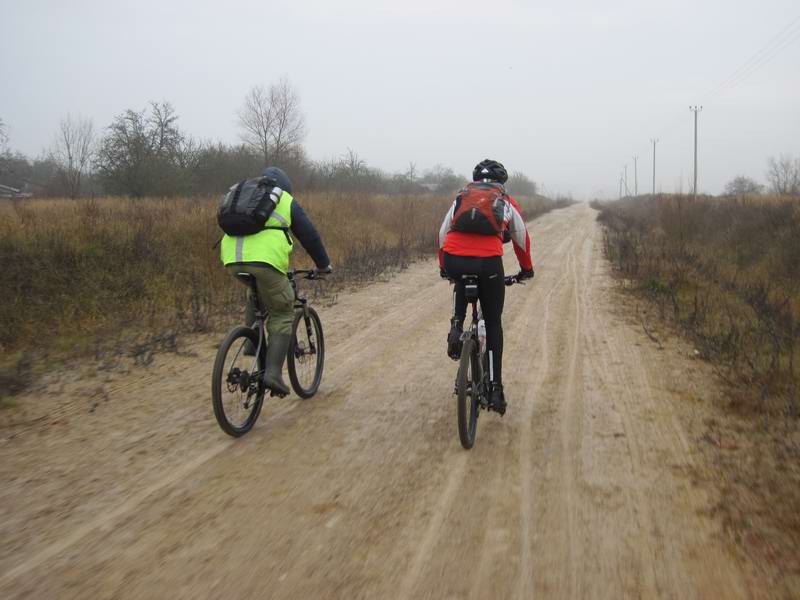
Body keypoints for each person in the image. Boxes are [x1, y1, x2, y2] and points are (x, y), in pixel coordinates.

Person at [220, 167, 331, 396]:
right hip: (265, 263)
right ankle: (273, 374)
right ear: (285, 187)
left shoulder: (247, 198)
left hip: (232, 260)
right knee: (282, 311)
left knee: (256, 292)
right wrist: (323, 265)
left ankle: (252, 341)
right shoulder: (284, 199)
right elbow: (309, 235)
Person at [437, 159, 534, 415]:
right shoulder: (504, 200)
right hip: (488, 265)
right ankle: (495, 390)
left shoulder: (462, 196)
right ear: (501, 182)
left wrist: (443, 265)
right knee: (492, 323)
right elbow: (521, 238)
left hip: (454, 258)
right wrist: (526, 269)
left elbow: (442, 232)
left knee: (459, 276)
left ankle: (457, 327)